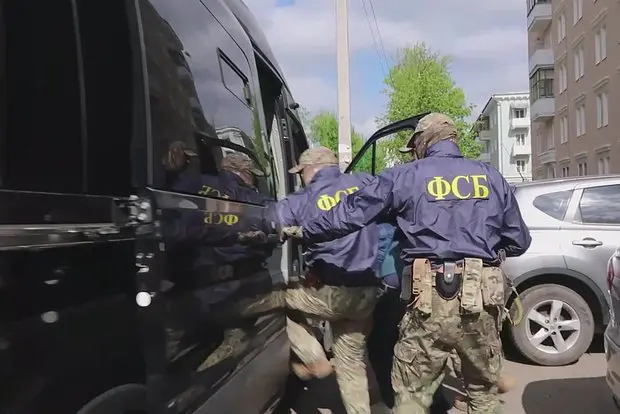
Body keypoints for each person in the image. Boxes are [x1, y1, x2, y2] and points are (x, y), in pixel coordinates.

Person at [276, 113, 531, 413]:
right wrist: (482, 256)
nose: (414, 153)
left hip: (430, 299)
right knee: (484, 394)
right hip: (483, 301)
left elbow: (349, 214)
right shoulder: (491, 176)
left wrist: (307, 230)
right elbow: (519, 241)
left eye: (414, 147)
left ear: (423, 142)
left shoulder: (405, 176)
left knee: (412, 394)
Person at [269, 146, 380, 414]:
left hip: (331, 293)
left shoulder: (305, 197)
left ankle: (314, 358)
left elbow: (271, 221)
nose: (300, 178)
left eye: (301, 172)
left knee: (274, 299)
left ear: (312, 169)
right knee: (351, 363)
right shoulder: (364, 183)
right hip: (366, 293)